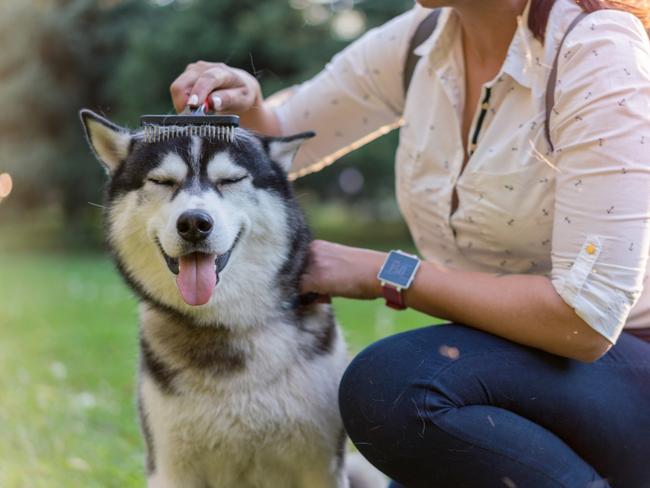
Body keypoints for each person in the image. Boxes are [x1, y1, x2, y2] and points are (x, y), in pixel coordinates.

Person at [170, 0, 650, 485]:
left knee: (391, 386)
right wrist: (248, 104)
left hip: (627, 371)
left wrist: (386, 271)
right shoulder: (420, 41)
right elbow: (284, 136)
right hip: (506, 373)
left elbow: (586, 319)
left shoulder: (597, 51)